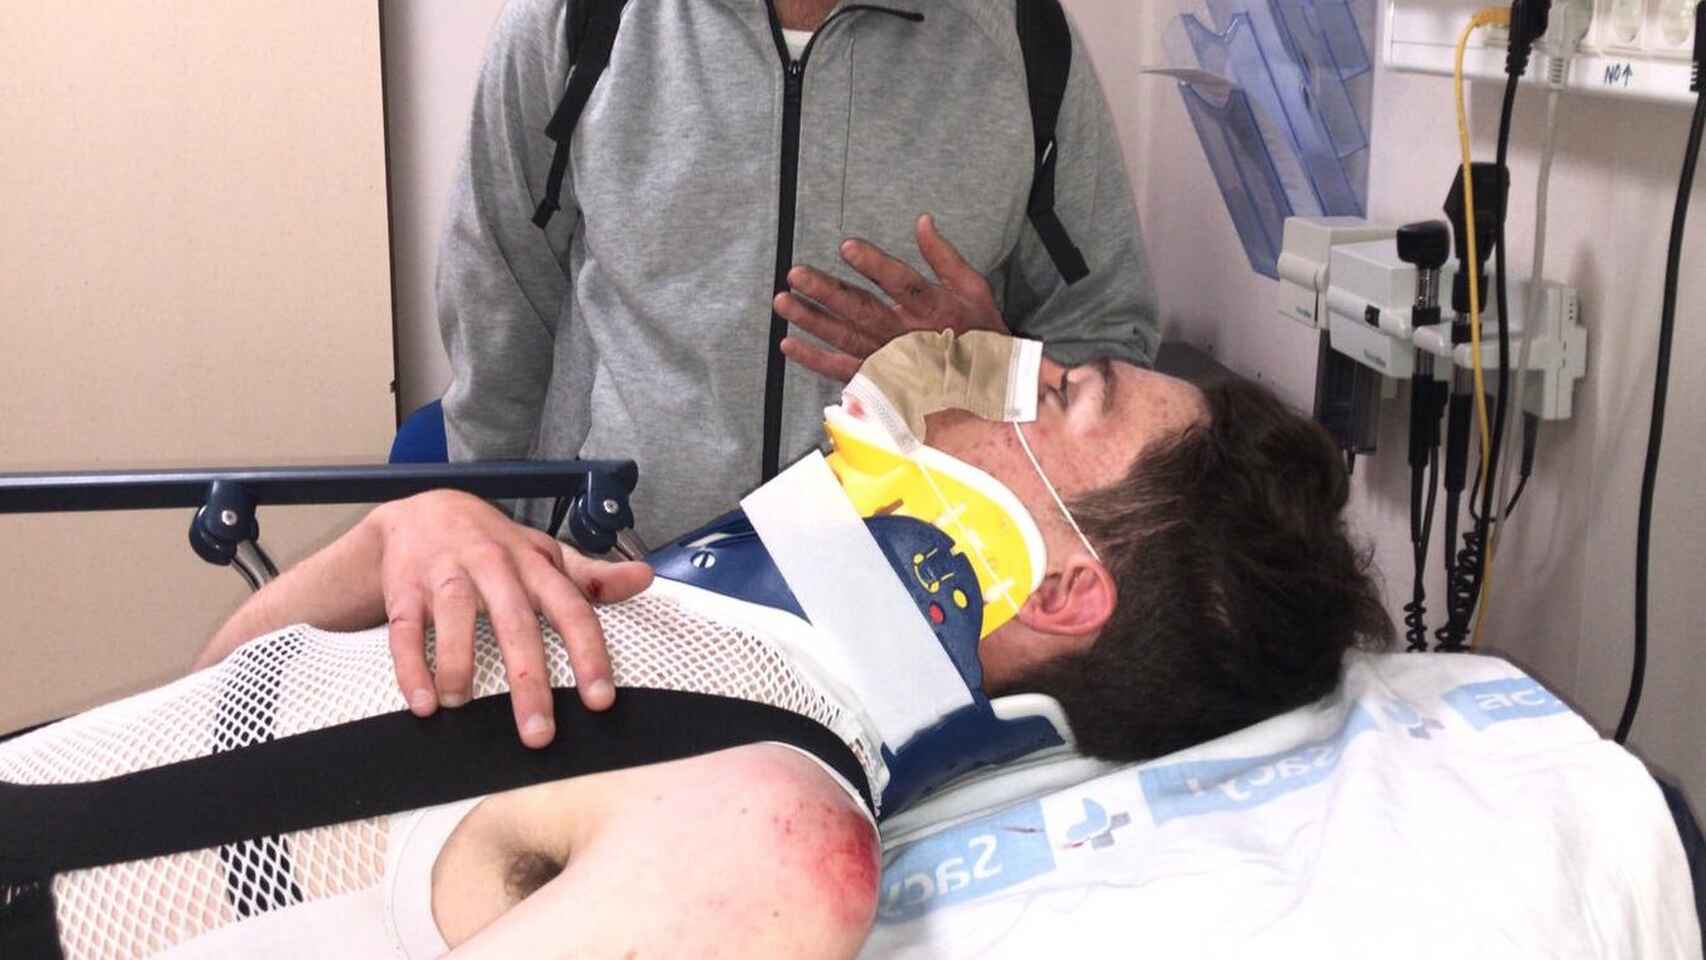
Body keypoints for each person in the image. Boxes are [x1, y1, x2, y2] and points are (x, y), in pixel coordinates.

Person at [0, 331, 1390, 957]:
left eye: (1062, 391)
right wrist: (393, 541)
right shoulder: (663, 608)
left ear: (1066, 589)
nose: (997, 357)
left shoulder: (770, 832)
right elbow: (219, 723)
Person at [439, 0, 1160, 552]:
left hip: (918, 603)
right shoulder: (577, 19)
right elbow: (497, 301)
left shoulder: (1023, 36)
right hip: (615, 578)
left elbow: (1107, 335)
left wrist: (989, 372)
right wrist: (494, 535)